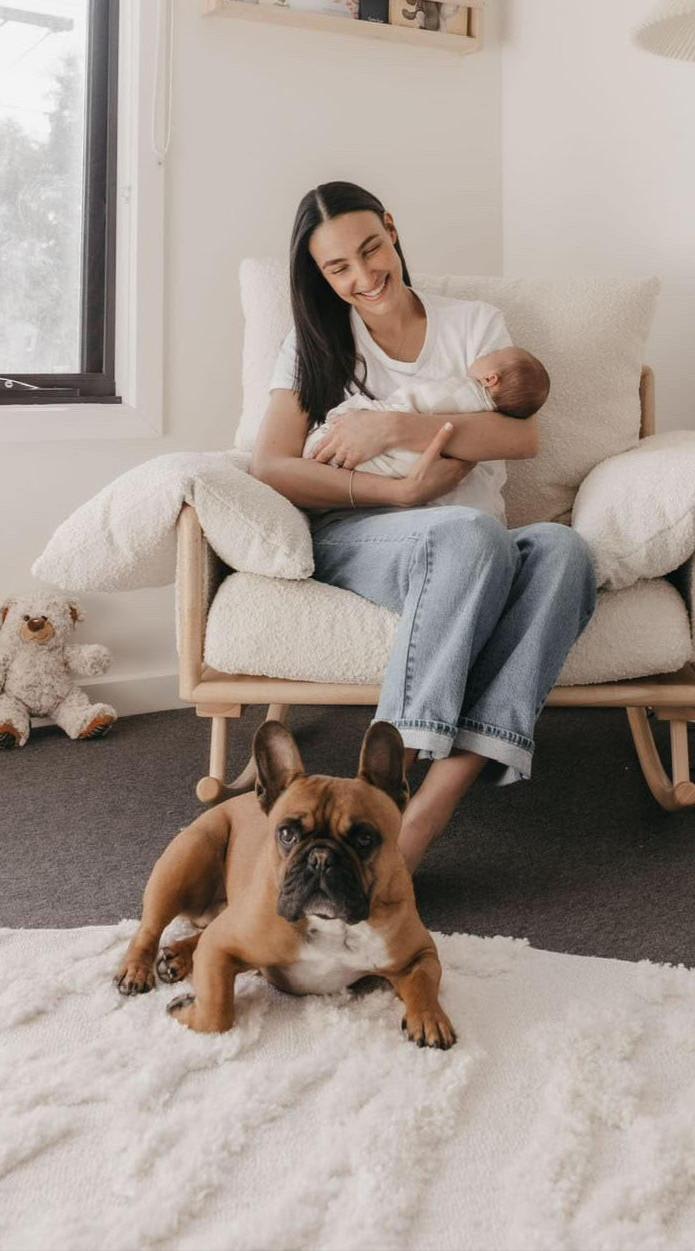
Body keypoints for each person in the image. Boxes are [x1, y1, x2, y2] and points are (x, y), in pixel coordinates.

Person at [250, 181, 596, 872]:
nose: (363, 275)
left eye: (370, 249)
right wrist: (400, 489)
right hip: (364, 533)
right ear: (319, 276)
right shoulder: (314, 342)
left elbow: (521, 439)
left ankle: (431, 806)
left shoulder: (474, 323)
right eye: (337, 267)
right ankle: (385, 785)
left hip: (480, 541)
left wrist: (396, 426)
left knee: (564, 550)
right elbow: (271, 465)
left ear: (392, 227)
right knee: (466, 532)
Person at [299, 344, 550, 479]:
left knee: (328, 445)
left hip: (408, 461)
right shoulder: (488, 413)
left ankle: (322, 456)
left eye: (492, 354)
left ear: (490, 379)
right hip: (409, 472)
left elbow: (417, 400)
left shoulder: (462, 391)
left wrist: (384, 417)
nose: (485, 353)